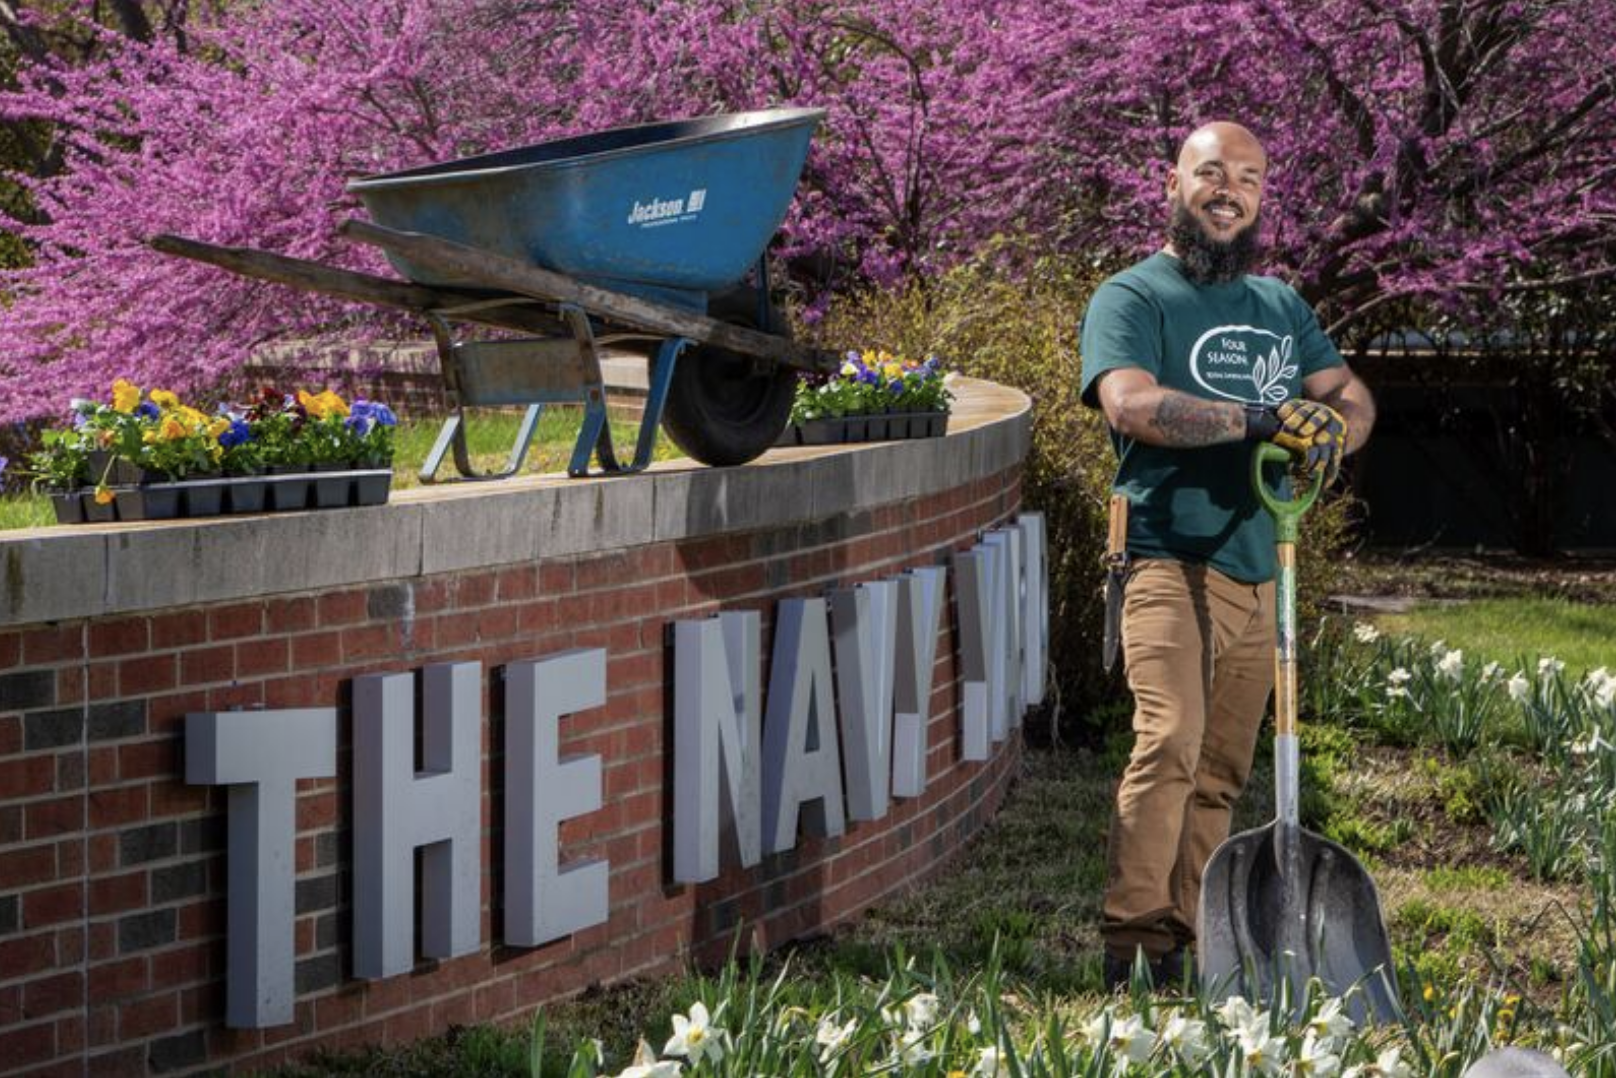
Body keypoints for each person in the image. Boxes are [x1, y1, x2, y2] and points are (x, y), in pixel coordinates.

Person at [1077, 121, 1375, 990]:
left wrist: (1334, 432)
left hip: (1258, 562)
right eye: (1210, 173)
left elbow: (1348, 395)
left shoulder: (1282, 307)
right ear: (1173, 183)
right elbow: (1130, 405)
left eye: (1246, 178)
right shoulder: (1134, 296)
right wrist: (1258, 419)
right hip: (1165, 556)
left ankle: (1199, 938)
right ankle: (1134, 945)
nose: (1227, 190)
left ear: (1259, 199)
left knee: (1221, 771)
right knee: (1169, 740)